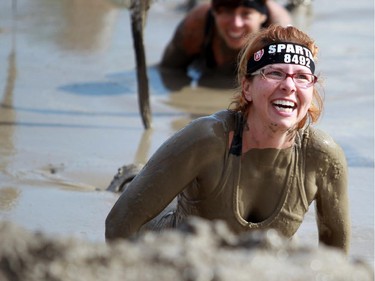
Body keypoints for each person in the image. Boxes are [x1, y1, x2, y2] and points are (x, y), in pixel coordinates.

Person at [106, 25, 351, 254]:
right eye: (275, 73)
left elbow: (335, 258)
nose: (289, 86)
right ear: (247, 88)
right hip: (170, 250)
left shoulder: (322, 155)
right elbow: (119, 224)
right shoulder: (208, 137)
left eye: (301, 77)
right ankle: (131, 177)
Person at [160, 0, 292, 81]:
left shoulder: (278, 33)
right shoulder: (196, 25)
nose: (236, 23)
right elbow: (169, 71)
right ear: (215, 12)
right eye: (228, 11)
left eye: (246, 14)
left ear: (262, 16)